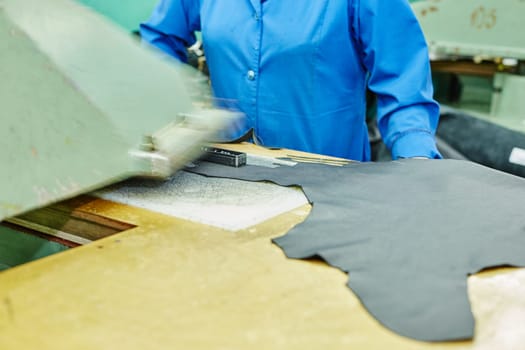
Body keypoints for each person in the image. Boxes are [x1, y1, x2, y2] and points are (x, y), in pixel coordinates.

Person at [140, 0, 441, 161]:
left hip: (328, 181)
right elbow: (160, 38)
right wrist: (176, 109)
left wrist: (415, 157)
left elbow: (403, 83)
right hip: (227, 175)